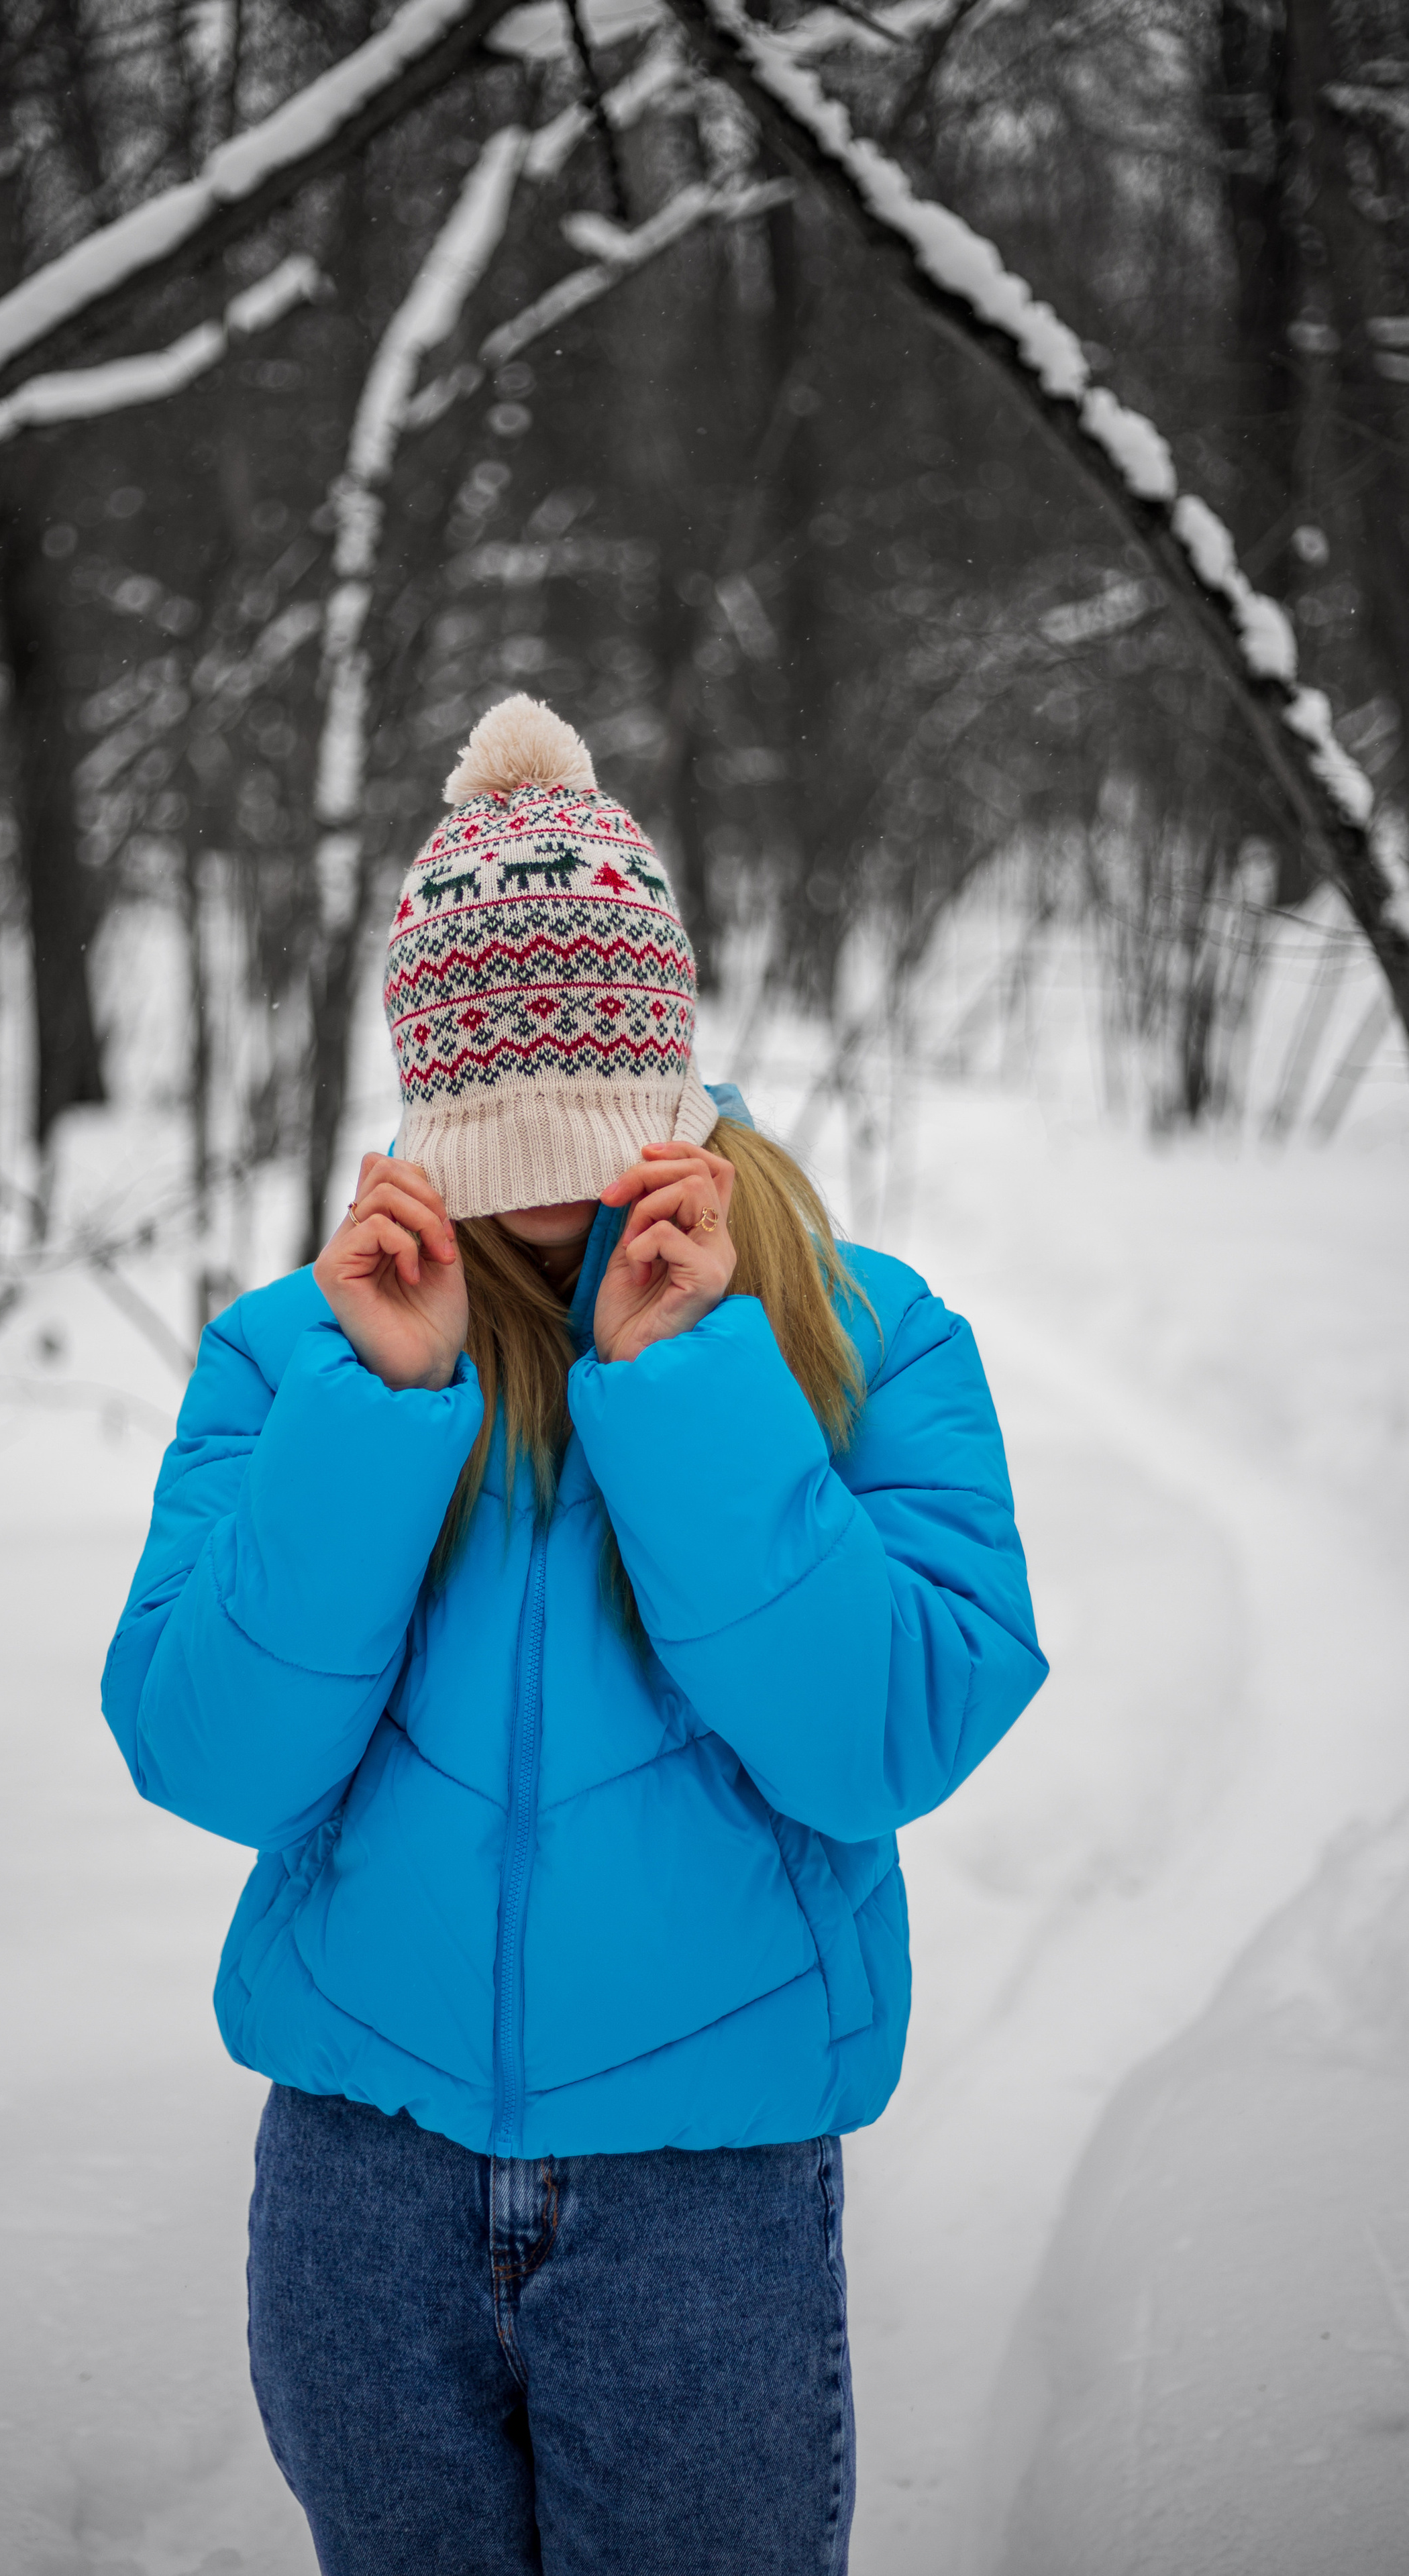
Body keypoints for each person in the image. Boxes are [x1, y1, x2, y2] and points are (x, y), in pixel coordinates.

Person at [102, 695, 1047, 2575]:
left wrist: (691, 1385)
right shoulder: (300, 1350)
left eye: (586, 1120)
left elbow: (891, 1737)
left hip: (705, 2204)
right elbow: (207, 1755)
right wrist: (379, 1412)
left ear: (664, 1061)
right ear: (427, 1091)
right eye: (492, 1124)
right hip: (362, 2192)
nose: (542, 1184)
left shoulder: (862, 1337)